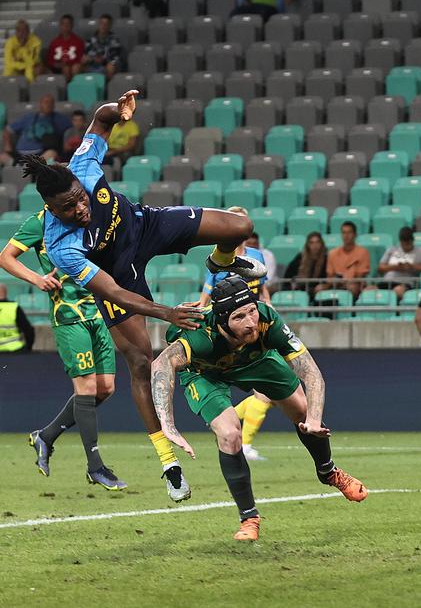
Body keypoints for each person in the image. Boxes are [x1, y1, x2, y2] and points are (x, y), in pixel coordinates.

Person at [19, 89, 267, 503]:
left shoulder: (83, 165)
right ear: (50, 209)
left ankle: (220, 262)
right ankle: (169, 464)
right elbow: (114, 292)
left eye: (80, 198)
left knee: (239, 227)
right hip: (119, 276)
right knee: (140, 364)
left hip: (145, 225)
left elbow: (100, 119)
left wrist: (118, 111)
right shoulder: (61, 245)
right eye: (68, 207)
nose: (81, 208)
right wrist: (166, 312)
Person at [151, 276, 367, 541]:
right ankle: (249, 518)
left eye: (252, 311)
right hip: (205, 372)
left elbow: (311, 372)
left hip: (256, 359)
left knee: (302, 408)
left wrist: (314, 419)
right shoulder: (200, 335)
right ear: (222, 320)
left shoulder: (267, 320)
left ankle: (328, 471)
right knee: (229, 434)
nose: (251, 322)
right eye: (239, 317)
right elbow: (160, 364)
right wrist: (168, 425)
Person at [1, 210, 124, 489]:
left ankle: (45, 436)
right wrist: (37, 279)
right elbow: (5, 257)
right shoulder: (40, 222)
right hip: (68, 316)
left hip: (97, 314)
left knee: (106, 388)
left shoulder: (89, 215)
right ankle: (96, 467)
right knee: (86, 388)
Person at [197, 207, 273, 461]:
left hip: (256, 325)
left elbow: (261, 287)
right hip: (233, 331)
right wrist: (201, 314)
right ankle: (244, 444)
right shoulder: (218, 258)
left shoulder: (256, 255)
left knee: (268, 394)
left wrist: (269, 306)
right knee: (265, 393)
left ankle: (225, 421)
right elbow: (208, 293)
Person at [1, 94, 71, 165]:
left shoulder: (59, 119)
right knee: (2, 157)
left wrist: (67, 143)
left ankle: (30, 166)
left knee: (51, 154)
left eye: (51, 103)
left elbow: (71, 130)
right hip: (20, 154)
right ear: (40, 104)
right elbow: (8, 130)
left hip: (41, 154)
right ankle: (18, 165)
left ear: (53, 106)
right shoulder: (28, 117)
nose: (48, 105)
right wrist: (7, 145)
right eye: (46, 102)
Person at [377, 227, 421, 301]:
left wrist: (413, 267)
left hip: (405, 283)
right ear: (400, 242)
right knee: (369, 290)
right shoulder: (391, 250)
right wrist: (396, 267)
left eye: (408, 244)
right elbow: (380, 267)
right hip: (387, 282)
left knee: (397, 291)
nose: (406, 247)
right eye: (404, 244)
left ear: (412, 241)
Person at [325, 221, 370, 299]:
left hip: (354, 284)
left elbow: (360, 276)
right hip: (336, 284)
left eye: (349, 233)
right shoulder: (332, 253)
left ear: (355, 235)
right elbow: (330, 275)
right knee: (319, 289)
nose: (346, 236)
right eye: (344, 233)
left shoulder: (363, 252)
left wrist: (346, 280)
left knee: (352, 287)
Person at [284, 231, 327, 300]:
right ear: (307, 245)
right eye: (311, 243)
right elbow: (288, 276)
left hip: (318, 293)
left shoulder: (326, 259)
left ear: (322, 244)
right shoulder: (300, 258)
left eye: (317, 242)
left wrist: (324, 286)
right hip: (300, 291)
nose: (315, 246)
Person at [82, 14, 122, 81]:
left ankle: (106, 86)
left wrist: (104, 60)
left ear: (110, 26)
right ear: (99, 24)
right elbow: (85, 54)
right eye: (102, 23)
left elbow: (115, 58)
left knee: (111, 66)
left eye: (106, 24)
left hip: (106, 64)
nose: (103, 26)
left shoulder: (114, 40)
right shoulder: (90, 40)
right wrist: (90, 59)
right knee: (79, 65)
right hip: (92, 64)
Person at [45, 15, 85, 81]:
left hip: (73, 67)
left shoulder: (78, 41)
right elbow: (49, 60)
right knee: (65, 68)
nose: (65, 26)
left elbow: (81, 59)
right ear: (60, 26)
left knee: (72, 68)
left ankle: (74, 85)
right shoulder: (54, 42)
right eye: (63, 24)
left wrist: (68, 63)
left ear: (72, 26)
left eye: (68, 24)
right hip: (58, 68)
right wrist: (58, 64)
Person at [0, 283, 34, 352]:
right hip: (14, 351)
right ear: (6, 293)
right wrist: (28, 349)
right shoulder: (14, 307)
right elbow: (28, 330)